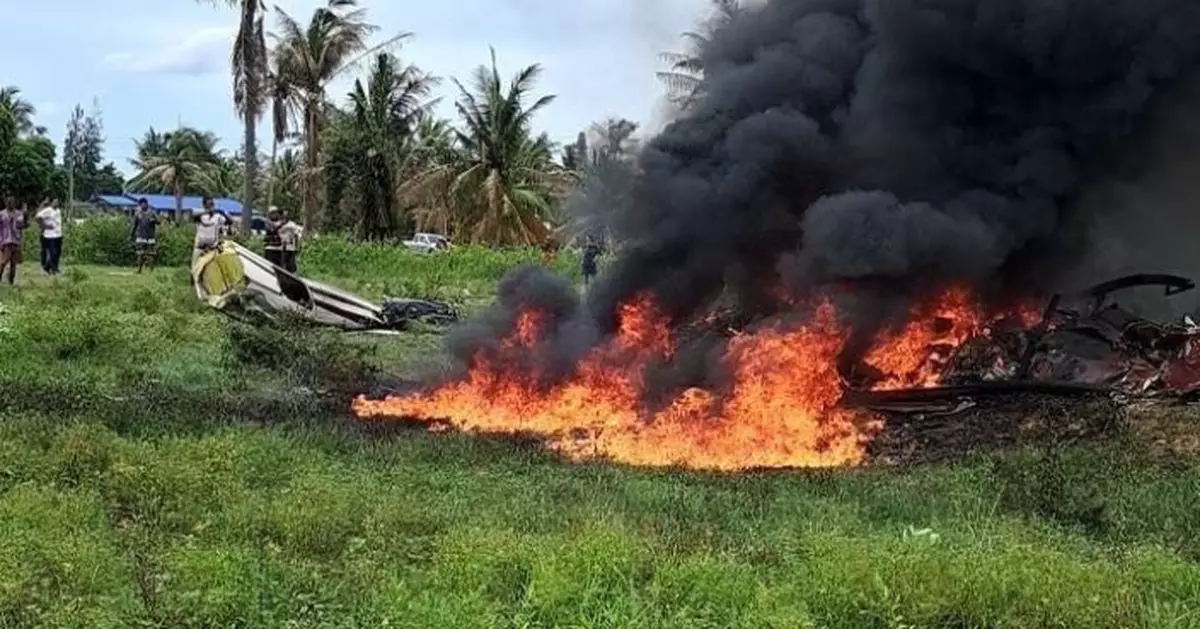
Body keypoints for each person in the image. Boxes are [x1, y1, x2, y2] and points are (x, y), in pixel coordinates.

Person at [192, 196, 232, 263]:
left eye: (212, 204)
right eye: (208, 205)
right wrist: (207, 212)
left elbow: (229, 221)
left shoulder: (218, 216)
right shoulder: (200, 215)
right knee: (194, 268)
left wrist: (222, 212)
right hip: (200, 248)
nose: (211, 206)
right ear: (204, 205)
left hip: (213, 248)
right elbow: (192, 216)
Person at [0, 197, 27, 285]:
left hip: (16, 240)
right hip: (6, 240)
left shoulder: (18, 213)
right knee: (4, 262)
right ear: (6, 203)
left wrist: (25, 216)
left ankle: (11, 281)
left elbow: (22, 225)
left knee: (13, 263)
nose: (11, 204)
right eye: (9, 202)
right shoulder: (2, 214)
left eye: (13, 202)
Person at [35, 198, 63, 275]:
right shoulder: (48, 210)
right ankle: (52, 269)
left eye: (58, 202)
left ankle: (50, 267)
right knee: (53, 253)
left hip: (58, 234)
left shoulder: (58, 210)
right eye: (55, 202)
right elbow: (37, 217)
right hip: (50, 235)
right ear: (51, 203)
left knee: (58, 253)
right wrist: (45, 225)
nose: (57, 203)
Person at [130, 198, 160, 273]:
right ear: (140, 205)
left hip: (150, 236)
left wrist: (154, 220)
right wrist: (132, 234)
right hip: (140, 235)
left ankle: (151, 270)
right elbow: (135, 225)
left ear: (147, 204)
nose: (143, 205)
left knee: (151, 253)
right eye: (141, 204)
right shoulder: (138, 214)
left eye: (144, 204)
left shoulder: (152, 213)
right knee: (140, 253)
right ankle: (139, 269)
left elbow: (158, 222)